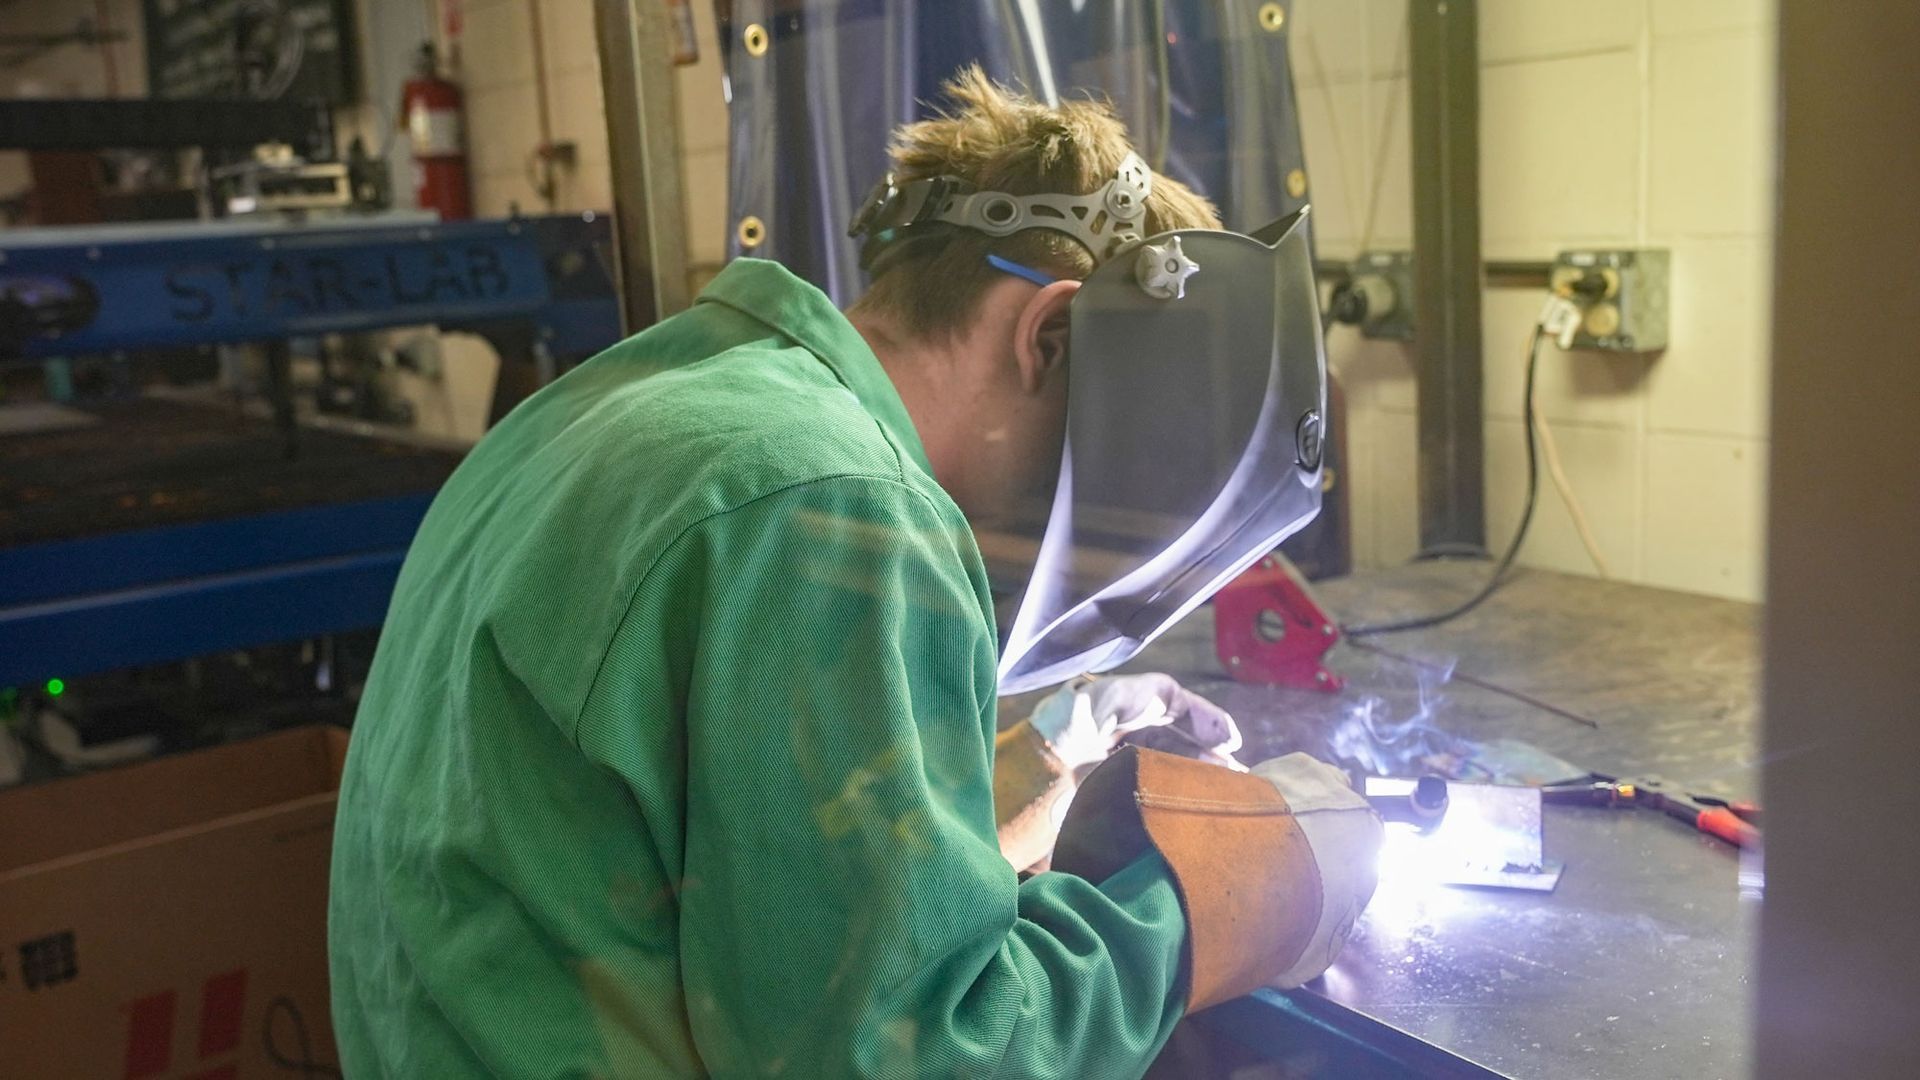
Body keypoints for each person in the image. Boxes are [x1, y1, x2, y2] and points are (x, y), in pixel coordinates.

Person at [329, 68, 1380, 1078]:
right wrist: (1232, 896)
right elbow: (918, 1056)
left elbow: (727, 842)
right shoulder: (835, 503)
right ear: (1049, 336)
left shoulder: (629, 411)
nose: (1065, 550)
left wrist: (1043, 755)